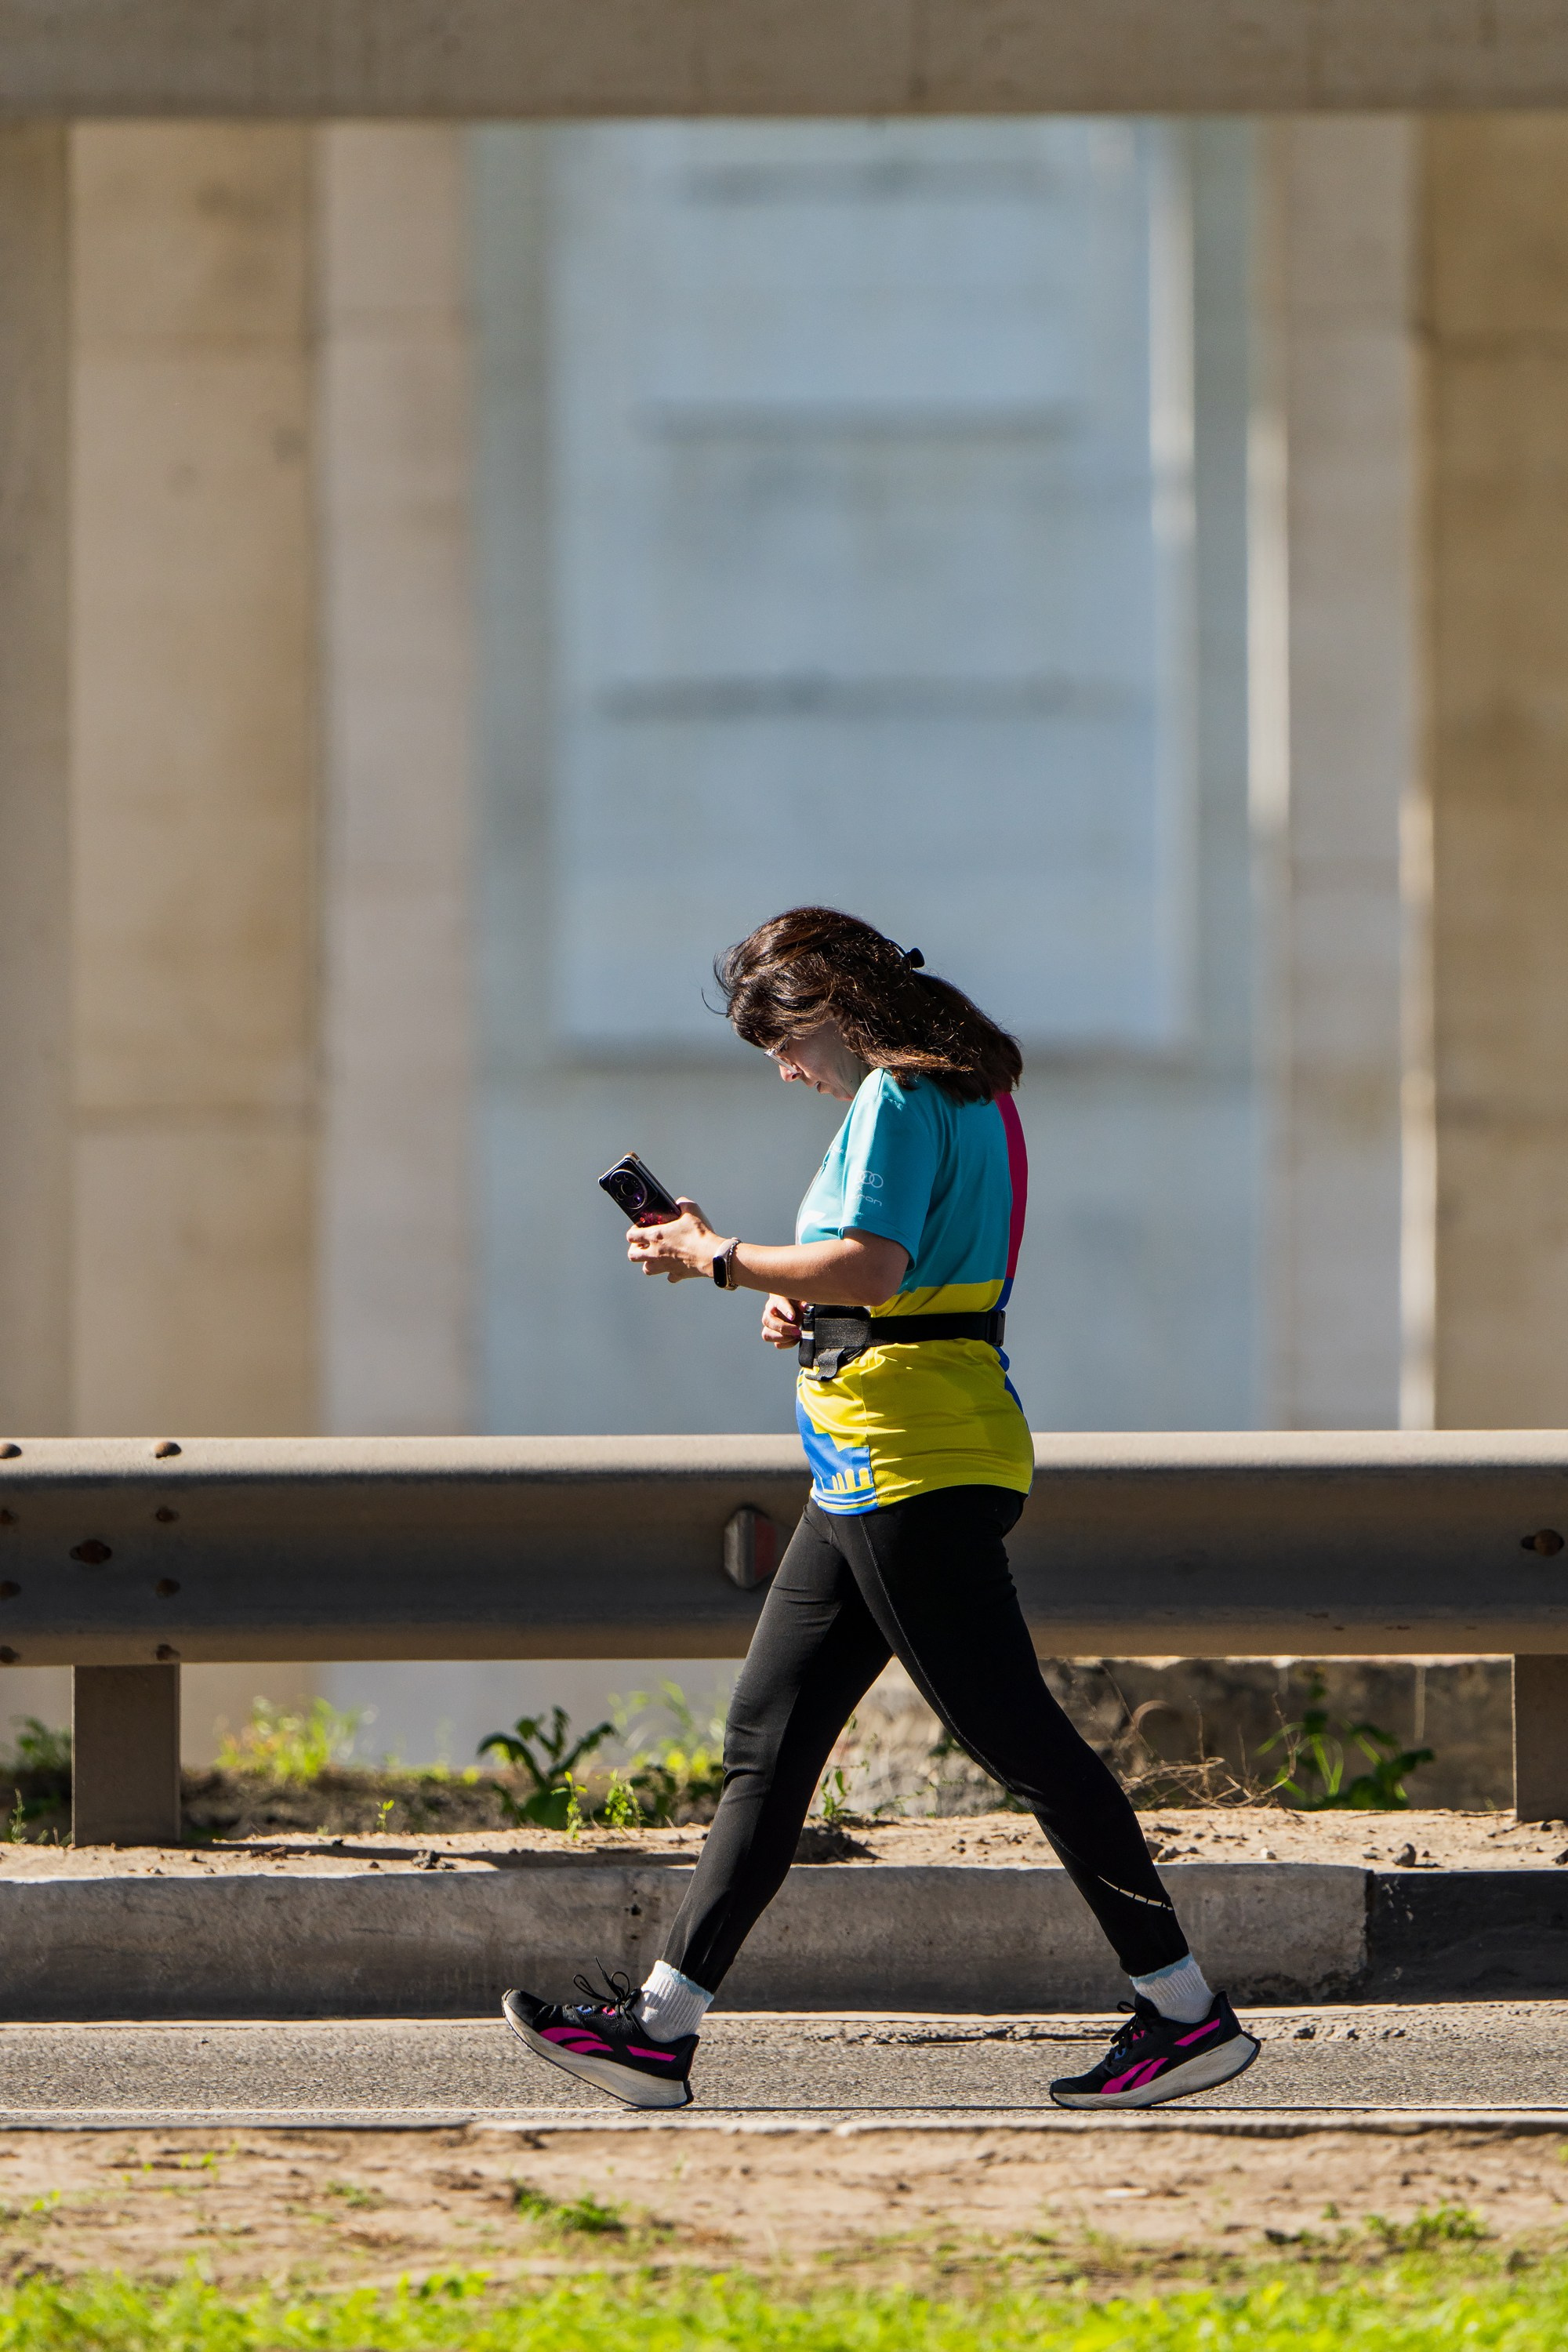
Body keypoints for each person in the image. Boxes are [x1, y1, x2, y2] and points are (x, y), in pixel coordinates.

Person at [502, 908, 1259, 2111]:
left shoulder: (899, 1098)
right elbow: (910, 1282)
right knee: (770, 1740)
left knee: (1025, 1745)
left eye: (781, 1048)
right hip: (882, 1455)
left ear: (826, 1012)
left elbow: (872, 1262)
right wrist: (816, 1316)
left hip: (910, 1462)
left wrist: (718, 1255)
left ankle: (1184, 2013)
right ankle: (658, 2027)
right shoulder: (972, 1093)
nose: (788, 1075)